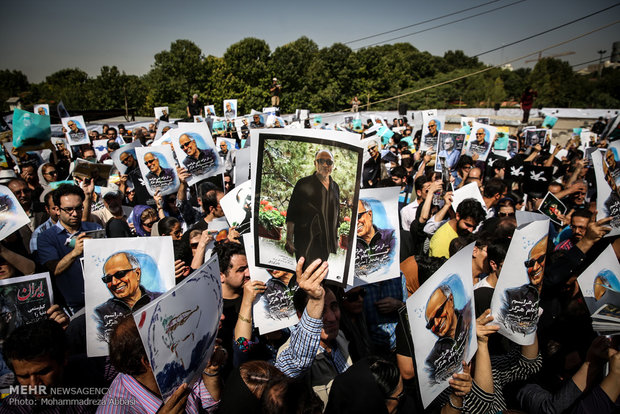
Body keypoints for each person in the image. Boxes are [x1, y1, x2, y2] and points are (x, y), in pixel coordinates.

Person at [99, 315, 223, 414]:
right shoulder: (116, 409)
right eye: (167, 339)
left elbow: (210, 406)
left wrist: (210, 371)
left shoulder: (174, 364)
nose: (178, 341)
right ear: (148, 361)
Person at [275, 258, 352, 405]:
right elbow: (296, 365)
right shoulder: (289, 350)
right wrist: (316, 299)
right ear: (300, 315)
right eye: (321, 311)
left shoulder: (340, 337)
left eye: (334, 306)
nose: (331, 318)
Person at [37, 184, 102, 313]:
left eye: (78, 208)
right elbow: (54, 269)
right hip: (74, 305)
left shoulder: (95, 229)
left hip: (100, 297)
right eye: (68, 209)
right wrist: (75, 252)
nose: (75, 213)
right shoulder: (46, 237)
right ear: (57, 210)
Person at [285, 150, 340, 267]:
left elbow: (336, 214)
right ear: (315, 163)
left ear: (332, 166)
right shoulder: (303, 183)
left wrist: (336, 240)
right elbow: (292, 213)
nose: (325, 165)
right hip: (306, 241)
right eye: (321, 161)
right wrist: (289, 239)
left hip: (327, 243)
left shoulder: (335, 187)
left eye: (329, 162)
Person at [93, 252, 162, 342]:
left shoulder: (160, 299)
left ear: (137, 273)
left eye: (120, 274)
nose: (114, 282)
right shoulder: (100, 313)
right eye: (108, 279)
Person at [499, 235, 547, 336]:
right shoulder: (513, 296)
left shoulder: (557, 292)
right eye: (530, 263)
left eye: (541, 259)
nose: (534, 268)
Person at [424, 283, 471, 385]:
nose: (436, 323)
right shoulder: (432, 360)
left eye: (439, 312)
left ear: (451, 299)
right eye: (431, 323)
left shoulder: (470, 315)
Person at [355, 199, 396, 278]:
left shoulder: (390, 236)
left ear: (370, 214)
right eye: (352, 220)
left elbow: (392, 262)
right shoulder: (351, 246)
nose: (356, 222)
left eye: (358, 216)